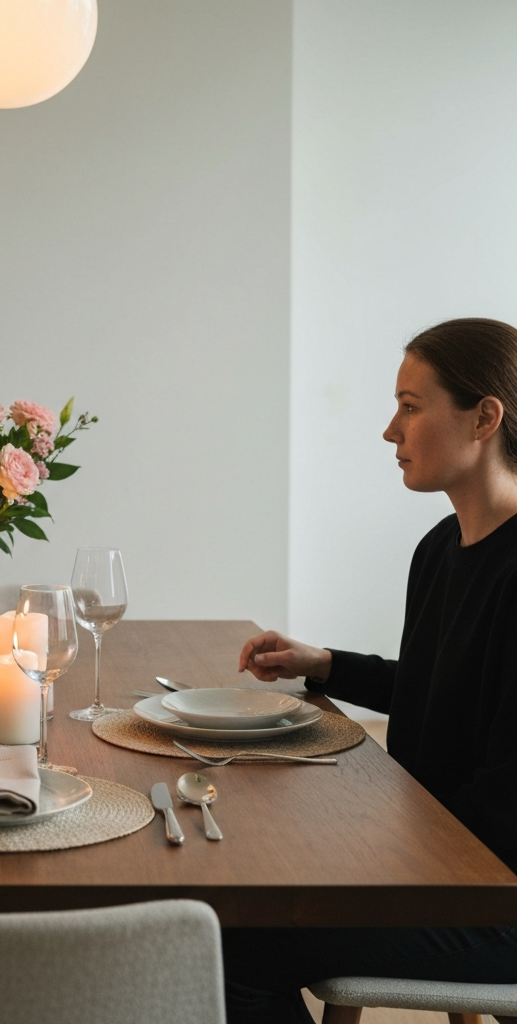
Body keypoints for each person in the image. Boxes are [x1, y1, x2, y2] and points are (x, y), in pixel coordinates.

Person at [224, 317, 517, 1024]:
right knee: (232, 903)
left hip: (492, 899)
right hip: (434, 872)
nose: (391, 431)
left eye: (410, 407)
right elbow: (434, 688)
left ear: (484, 418)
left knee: (223, 947)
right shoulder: (441, 547)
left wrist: (364, 852)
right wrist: (323, 664)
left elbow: (504, 802)